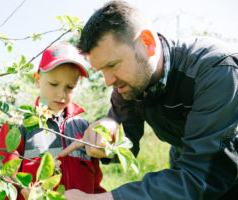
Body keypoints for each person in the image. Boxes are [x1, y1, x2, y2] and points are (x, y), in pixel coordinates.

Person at [59, 1, 238, 200]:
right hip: (186, 169)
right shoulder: (130, 83)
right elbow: (125, 134)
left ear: (148, 43)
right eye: (101, 70)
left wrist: (103, 199)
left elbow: (204, 174)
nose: (108, 81)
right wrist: (107, 132)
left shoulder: (217, 71)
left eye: (113, 64)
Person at [0, 42, 106, 199]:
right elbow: (3, 178)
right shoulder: (19, 125)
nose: (61, 94)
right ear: (37, 79)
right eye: (54, 84)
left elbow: (95, 185)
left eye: (70, 87)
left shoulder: (84, 128)